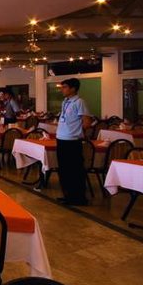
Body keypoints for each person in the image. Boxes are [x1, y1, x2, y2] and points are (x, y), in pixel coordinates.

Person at [55, 78, 91, 206]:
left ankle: (78, 197)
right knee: (64, 169)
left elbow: (87, 122)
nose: (62, 89)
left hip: (72, 140)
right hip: (61, 138)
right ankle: (68, 195)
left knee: (75, 170)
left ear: (73, 89)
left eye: (64, 87)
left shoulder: (79, 102)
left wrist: (77, 132)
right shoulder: (65, 102)